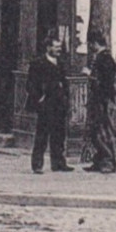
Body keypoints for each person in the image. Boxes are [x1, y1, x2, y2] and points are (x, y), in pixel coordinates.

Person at [26, 33, 73, 173]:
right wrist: (39, 98)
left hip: (59, 103)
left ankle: (58, 163)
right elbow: (30, 84)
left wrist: (66, 97)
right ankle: (37, 164)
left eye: (60, 47)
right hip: (46, 104)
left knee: (59, 134)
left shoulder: (61, 63)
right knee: (42, 134)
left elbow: (64, 82)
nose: (59, 49)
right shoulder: (38, 63)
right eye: (56, 47)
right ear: (48, 48)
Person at [84, 29, 116, 173]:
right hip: (99, 99)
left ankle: (108, 161)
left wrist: (90, 75)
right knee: (96, 130)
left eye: (90, 44)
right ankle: (99, 160)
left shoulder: (105, 59)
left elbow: (106, 82)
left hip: (102, 100)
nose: (90, 47)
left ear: (95, 43)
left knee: (102, 131)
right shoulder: (102, 58)